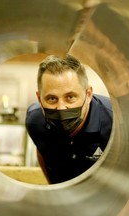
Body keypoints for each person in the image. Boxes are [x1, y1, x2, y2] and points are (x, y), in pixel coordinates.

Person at [25, 54, 113, 184]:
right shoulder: (35, 121)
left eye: (70, 97)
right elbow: (42, 151)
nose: (61, 108)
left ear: (88, 95)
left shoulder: (115, 122)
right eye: (52, 98)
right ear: (39, 99)